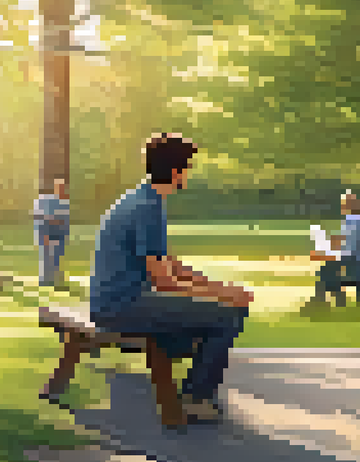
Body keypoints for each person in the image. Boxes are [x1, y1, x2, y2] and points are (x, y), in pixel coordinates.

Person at [89, 133, 254, 423]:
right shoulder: (147, 208)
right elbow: (164, 281)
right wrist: (225, 297)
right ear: (176, 171)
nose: (188, 174)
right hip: (120, 306)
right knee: (228, 316)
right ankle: (196, 398)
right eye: (188, 167)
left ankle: (192, 388)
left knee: (225, 311)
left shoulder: (143, 198)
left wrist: (223, 288)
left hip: (121, 300)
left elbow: (172, 266)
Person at [309, 190, 360, 307]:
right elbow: (353, 243)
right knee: (328, 269)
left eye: (344, 204)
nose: (342, 207)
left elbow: (350, 248)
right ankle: (334, 297)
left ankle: (327, 299)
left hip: (355, 264)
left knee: (326, 270)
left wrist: (331, 249)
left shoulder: (351, 221)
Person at [33, 178, 72, 287]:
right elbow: (42, 218)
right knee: (46, 257)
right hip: (48, 234)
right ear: (55, 188)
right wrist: (44, 234)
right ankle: (45, 281)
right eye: (59, 187)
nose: (61, 189)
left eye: (63, 187)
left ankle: (56, 280)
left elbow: (66, 221)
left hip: (59, 235)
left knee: (57, 258)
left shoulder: (65, 203)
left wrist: (65, 235)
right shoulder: (47, 202)